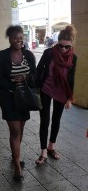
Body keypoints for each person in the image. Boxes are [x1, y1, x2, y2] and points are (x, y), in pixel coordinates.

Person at [0, 25, 37, 181]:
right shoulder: (3, 55)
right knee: (15, 130)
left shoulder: (29, 55)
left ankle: (15, 156)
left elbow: (35, 75)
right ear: (10, 39)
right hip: (8, 98)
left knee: (21, 128)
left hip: (24, 98)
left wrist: (25, 78)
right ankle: (17, 167)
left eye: (20, 37)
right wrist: (13, 85)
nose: (18, 40)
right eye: (15, 38)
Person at [35, 25, 77, 165]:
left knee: (56, 120)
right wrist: (36, 89)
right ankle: (43, 152)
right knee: (45, 120)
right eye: (61, 46)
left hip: (61, 92)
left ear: (71, 46)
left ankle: (51, 147)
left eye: (67, 47)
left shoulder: (73, 57)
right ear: (57, 42)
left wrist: (69, 98)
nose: (64, 49)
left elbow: (72, 78)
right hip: (46, 89)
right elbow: (39, 70)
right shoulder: (48, 53)